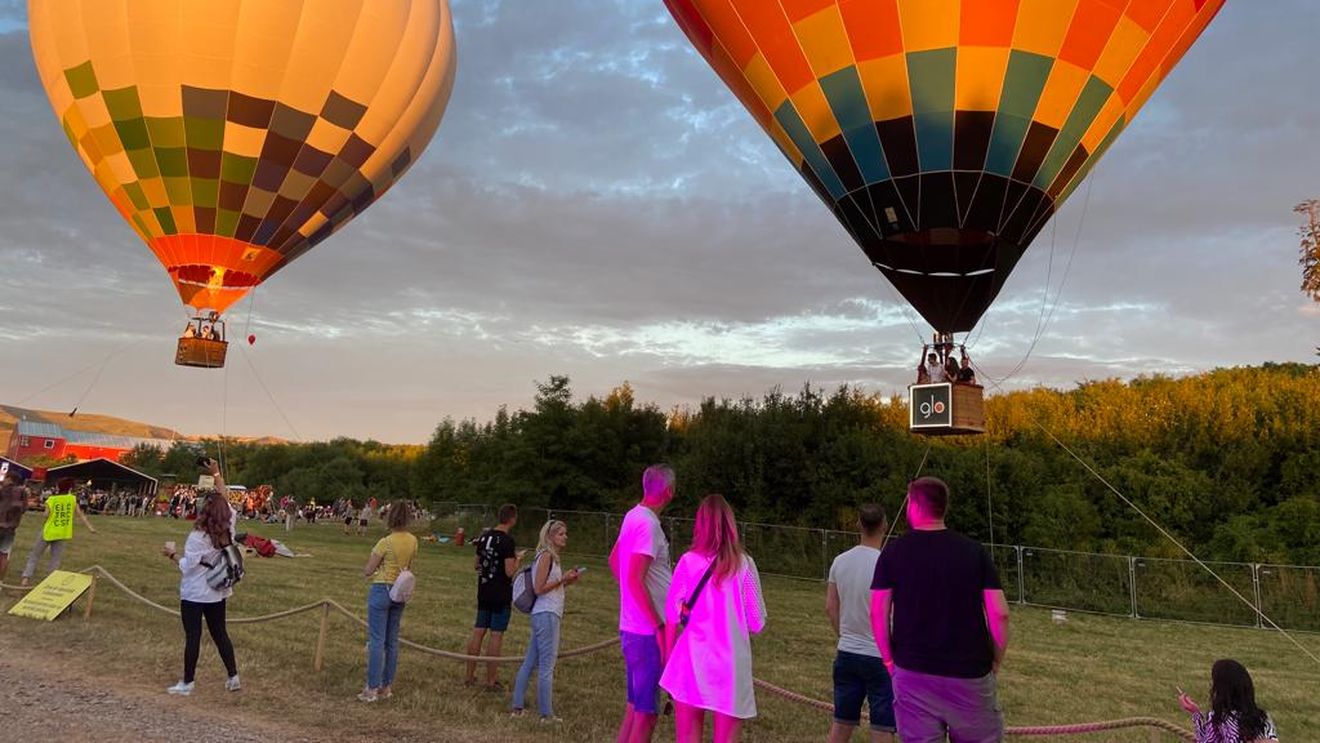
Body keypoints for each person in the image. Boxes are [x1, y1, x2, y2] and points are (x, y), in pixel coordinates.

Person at [870, 477, 1010, 743]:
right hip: (970, 673)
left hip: (912, 671)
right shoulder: (974, 552)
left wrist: (889, 661)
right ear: (943, 507)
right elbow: (999, 614)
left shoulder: (893, 552)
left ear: (914, 506)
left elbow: (877, 612)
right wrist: (996, 661)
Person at [660, 494, 766, 743]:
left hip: (692, 660)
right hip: (730, 667)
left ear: (700, 525)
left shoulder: (688, 562)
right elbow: (757, 622)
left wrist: (667, 655)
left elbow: (672, 614)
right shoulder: (745, 565)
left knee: (687, 736)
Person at [610, 464, 676, 743]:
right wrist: (659, 626)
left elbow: (615, 561)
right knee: (647, 714)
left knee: (635, 707)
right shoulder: (649, 524)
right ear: (669, 492)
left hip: (633, 626)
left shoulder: (632, 516)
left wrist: (630, 597)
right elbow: (635, 578)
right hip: (647, 632)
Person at [162, 460, 240, 696]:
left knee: (193, 636)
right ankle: (233, 676)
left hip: (195, 591)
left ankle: (188, 682)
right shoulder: (230, 524)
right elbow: (224, 498)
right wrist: (216, 473)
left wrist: (172, 555)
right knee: (220, 633)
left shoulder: (197, 537)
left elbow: (188, 567)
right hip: (217, 590)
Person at [827, 504, 895, 743]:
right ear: (884, 526)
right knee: (883, 727)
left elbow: (831, 607)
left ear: (858, 524)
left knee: (841, 724)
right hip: (880, 657)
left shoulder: (840, 561)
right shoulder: (890, 564)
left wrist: (844, 635)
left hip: (847, 652)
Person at [511, 520, 581, 722]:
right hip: (547, 614)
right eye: (561, 534)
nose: (565, 537)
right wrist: (562, 579)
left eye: (565, 533)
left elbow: (550, 589)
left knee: (531, 661)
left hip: (546, 612)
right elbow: (539, 588)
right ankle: (546, 714)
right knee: (547, 665)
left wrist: (566, 581)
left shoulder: (551, 558)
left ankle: (517, 707)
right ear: (550, 537)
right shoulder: (546, 556)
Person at [359, 499, 417, 703]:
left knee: (376, 640)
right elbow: (409, 565)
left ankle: (372, 688)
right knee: (392, 641)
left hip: (382, 588)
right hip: (399, 591)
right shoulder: (413, 541)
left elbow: (369, 569)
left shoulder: (385, 542)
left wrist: (371, 570)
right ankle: (386, 686)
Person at [466, 504, 526, 690]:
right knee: (496, 634)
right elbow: (509, 572)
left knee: (478, 631)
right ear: (512, 519)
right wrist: (518, 559)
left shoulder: (484, 537)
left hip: (484, 590)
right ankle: (491, 681)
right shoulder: (507, 541)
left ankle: (469, 675)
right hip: (500, 593)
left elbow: (476, 564)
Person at [1178, 659, 1279, 742]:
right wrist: (1195, 712)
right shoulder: (1263, 717)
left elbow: (1206, 740)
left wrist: (1196, 714)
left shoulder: (1220, 718)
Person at [20, 478, 97, 586]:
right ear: (70, 489)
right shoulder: (72, 499)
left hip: (49, 531)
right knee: (55, 558)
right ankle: (50, 580)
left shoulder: (52, 499)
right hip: (63, 532)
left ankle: (26, 578)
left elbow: (46, 515)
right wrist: (90, 527)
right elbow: (80, 514)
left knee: (35, 555)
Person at [0, 473, 28, 582]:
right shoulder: (22, 492)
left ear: (9, 479)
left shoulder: (2, 490)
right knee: (4, 555)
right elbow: (24, 509)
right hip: (10, 528)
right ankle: (0, 582)